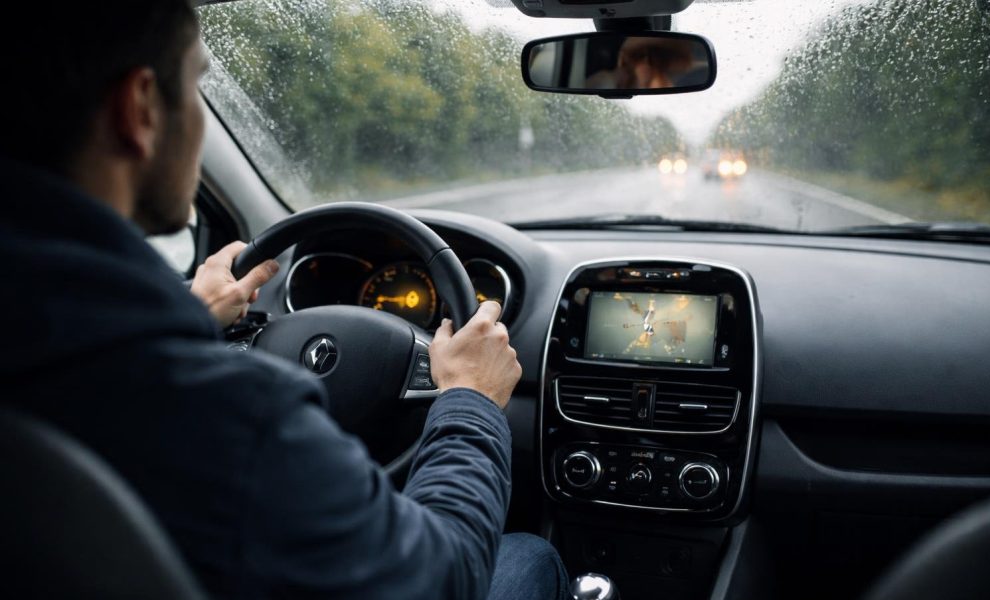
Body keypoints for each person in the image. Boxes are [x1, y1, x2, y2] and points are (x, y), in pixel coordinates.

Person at [0, 1, 567, 599]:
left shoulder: (56, 338)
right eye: (196, 84)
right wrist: (471, 401)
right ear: (139, 109)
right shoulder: (226, 413)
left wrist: (192, 315)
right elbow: (441, 577)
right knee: (528, 557)